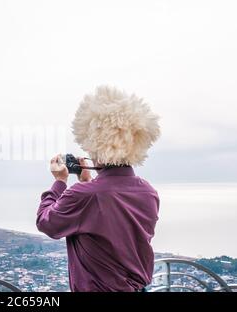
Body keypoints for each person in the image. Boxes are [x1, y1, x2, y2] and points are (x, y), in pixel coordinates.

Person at [37, 86, 161, 292]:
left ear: (98, 147)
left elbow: (46, 222)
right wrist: (86, 183)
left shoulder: (85, 196)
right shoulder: (149, 193)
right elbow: (108, 225)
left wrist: (60, 181)